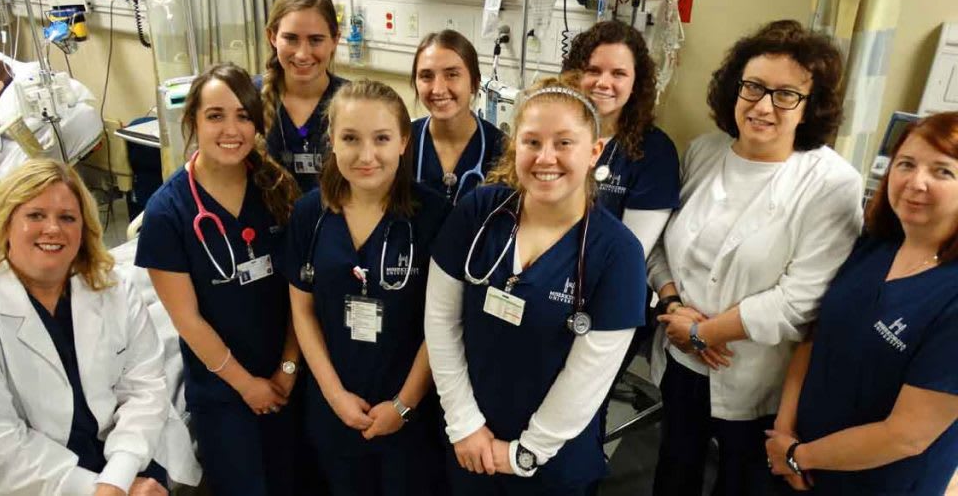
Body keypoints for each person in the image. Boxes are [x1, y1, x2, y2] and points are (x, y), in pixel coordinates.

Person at [647, 20, 865, 495]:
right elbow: (660, 242)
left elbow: (800, 300)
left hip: (755, 376)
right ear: (734, 88)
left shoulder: (831, 184)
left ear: (811, 107)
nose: (764, 105)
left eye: (786, 94)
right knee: (674, 469)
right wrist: (672, 305)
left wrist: (704, 332)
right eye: (754, 87)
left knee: (741, 484)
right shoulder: (703, 152)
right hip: (681, 358)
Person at [425, 75, 646, 495]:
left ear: (595, 151)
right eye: (532, 142)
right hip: (469, 442)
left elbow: (590, 375)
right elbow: (439, 320)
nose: (546, 158)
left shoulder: (618, 253)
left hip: (552, 458)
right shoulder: (480, 212)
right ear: (515, 146)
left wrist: (526, 452)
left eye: (565, 143)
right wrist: (464, 422)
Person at [0, 158, 199, 496]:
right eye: (35, 215)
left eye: (67, 218)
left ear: (83, 229)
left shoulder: (114, 288)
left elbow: (146, 389)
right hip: (26, 481)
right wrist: (95, 489)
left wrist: (116, 478)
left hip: (124, 456)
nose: (53, 229)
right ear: (6, 224)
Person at [767, 111, 958, 495]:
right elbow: (814, 337)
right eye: (906, 164)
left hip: (876, 481)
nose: (915, 182)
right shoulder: (875, 245)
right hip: (798, 457)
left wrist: (799, 457)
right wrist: (784, 432)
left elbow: (907, 436)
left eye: (942, 172)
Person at [135, 63, 301, 496]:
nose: (232, 129)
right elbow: (187, 321)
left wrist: (287, 367)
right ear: (192, 122)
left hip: (290, 382)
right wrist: (249, 387)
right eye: (215, 116)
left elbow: (300, 291)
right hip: (225, 393)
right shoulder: (167, 213)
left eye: (243, 116)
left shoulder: (276, 191)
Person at [281, 79, 450, 496]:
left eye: (382, 138)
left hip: (412, 410)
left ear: (404, 142)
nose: (366, 155)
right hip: (334, 407)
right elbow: (302, 313)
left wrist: (404, 404)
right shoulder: (310, 214)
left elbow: (443, 322)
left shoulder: (435, 216)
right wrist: (334, 395)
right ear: (332, 142)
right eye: (351, 139)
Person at [562, 20, 679, 257]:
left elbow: (630, 253)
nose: (603, 83)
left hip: (605, 283)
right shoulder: (555, 133)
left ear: (636, 83)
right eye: (593, 70)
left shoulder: (655, 152)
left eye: (619, 74)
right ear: (575, 75)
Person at [260, 0, 348, 192]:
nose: (302, 54)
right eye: (291, 39)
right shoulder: (246, 99)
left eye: (316, 40)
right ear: (272, 37)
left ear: (335, 40)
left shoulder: (355, 103)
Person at [410, 29, 505, 205]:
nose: (438, 89)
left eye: (452, 74)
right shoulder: (401, 144)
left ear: (474, 83)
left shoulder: (503, 151)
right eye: (426, 76)